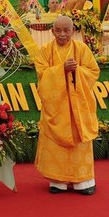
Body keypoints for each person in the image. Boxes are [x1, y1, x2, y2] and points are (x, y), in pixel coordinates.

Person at [34, 15, 100, 195]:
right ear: (52, 31)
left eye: (66, 30)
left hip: (78, 106)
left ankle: (83, 181)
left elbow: (93, 72)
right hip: (55, 107)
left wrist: (77, 70)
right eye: (58, 30)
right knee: (55, 144)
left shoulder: (82, 49)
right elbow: (42, 74)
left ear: (73, 30)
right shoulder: (45, 51)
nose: (62, 34)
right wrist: (61, 69)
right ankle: (57, 180)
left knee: (79, 140)